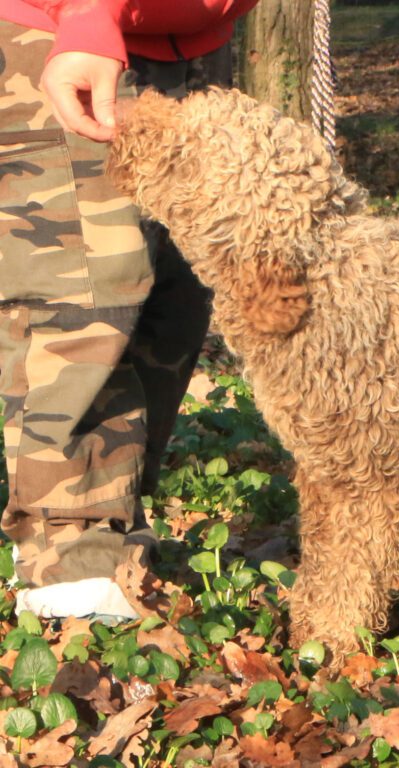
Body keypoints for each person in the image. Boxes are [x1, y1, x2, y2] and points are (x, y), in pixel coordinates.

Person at [0, 0, 258, 619]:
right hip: (64, 34)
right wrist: (90, 13)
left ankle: (113, 537)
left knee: (176, 302)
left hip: (191, 46)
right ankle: (68, 567)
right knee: (86, 303)